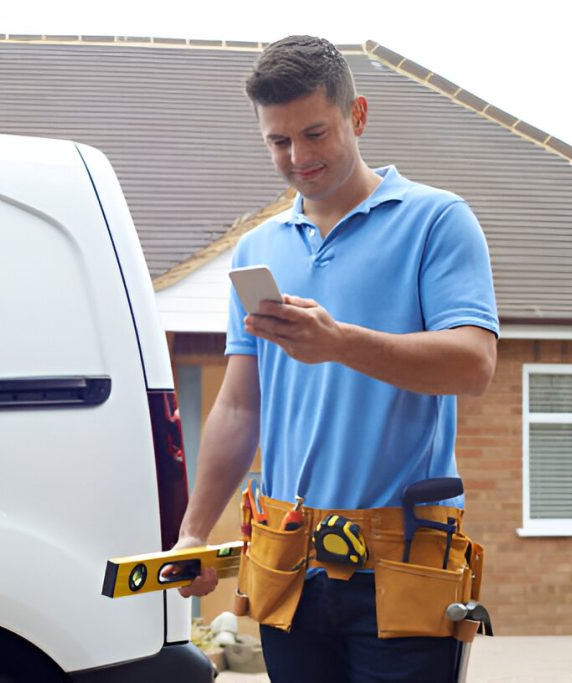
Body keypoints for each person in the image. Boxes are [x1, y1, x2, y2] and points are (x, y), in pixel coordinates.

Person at [175, 35, 499, 682]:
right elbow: (240, 406)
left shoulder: (436, 221)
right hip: (288, 567)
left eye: (315, 133)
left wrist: (341, 342)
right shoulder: (258, 250)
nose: (299, 156)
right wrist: (193, 530)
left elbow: (473, 365)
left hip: (401, 568)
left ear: (358, 115)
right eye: (278, 141)